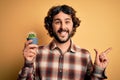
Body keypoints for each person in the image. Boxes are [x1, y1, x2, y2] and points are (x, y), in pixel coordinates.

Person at [17, 4, 112, 80]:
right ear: (50, 26)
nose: (63, 27)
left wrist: (98, 71)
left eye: (67, 22)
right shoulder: (37, 53)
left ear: (73, 25)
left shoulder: (85, 55)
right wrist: (28, 64)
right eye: (58, 22)